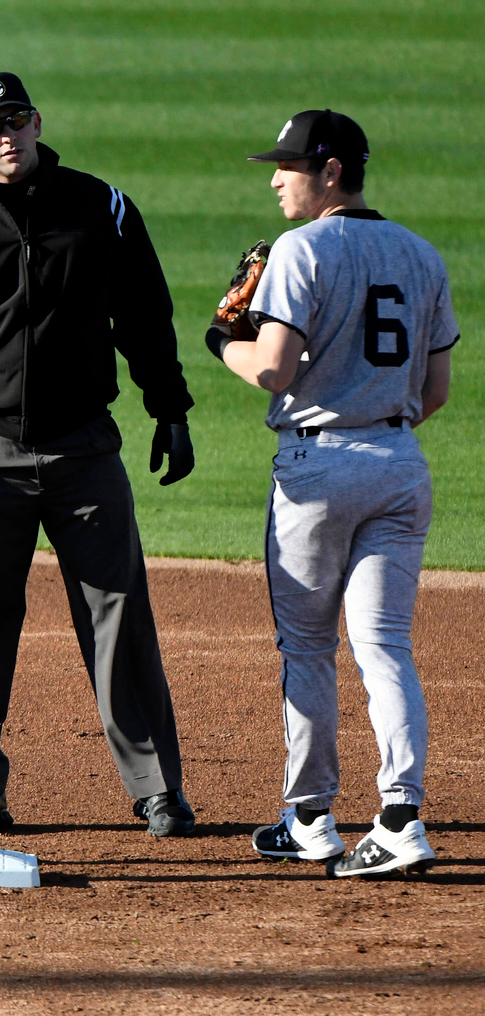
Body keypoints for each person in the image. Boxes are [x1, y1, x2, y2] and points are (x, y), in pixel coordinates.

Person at [0, 72, 196, 838]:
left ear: (39, 122)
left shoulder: (99, 206)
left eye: (18, 120)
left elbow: (145, 313)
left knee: (118, 615)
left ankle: (156, 788)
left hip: (85, 446)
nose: (8, 135)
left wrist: (169, 407)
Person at [208, 110, 457, 876]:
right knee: (385, 645)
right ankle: (400, 818)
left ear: (333, 171)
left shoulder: (301, 248)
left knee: (309, 646)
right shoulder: (421, 253)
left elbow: (274, 369)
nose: (277, 178)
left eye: (288, 166)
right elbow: (436, 389)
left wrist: (224, 342)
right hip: (399, 462)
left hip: (318, 472)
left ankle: (311, 816)